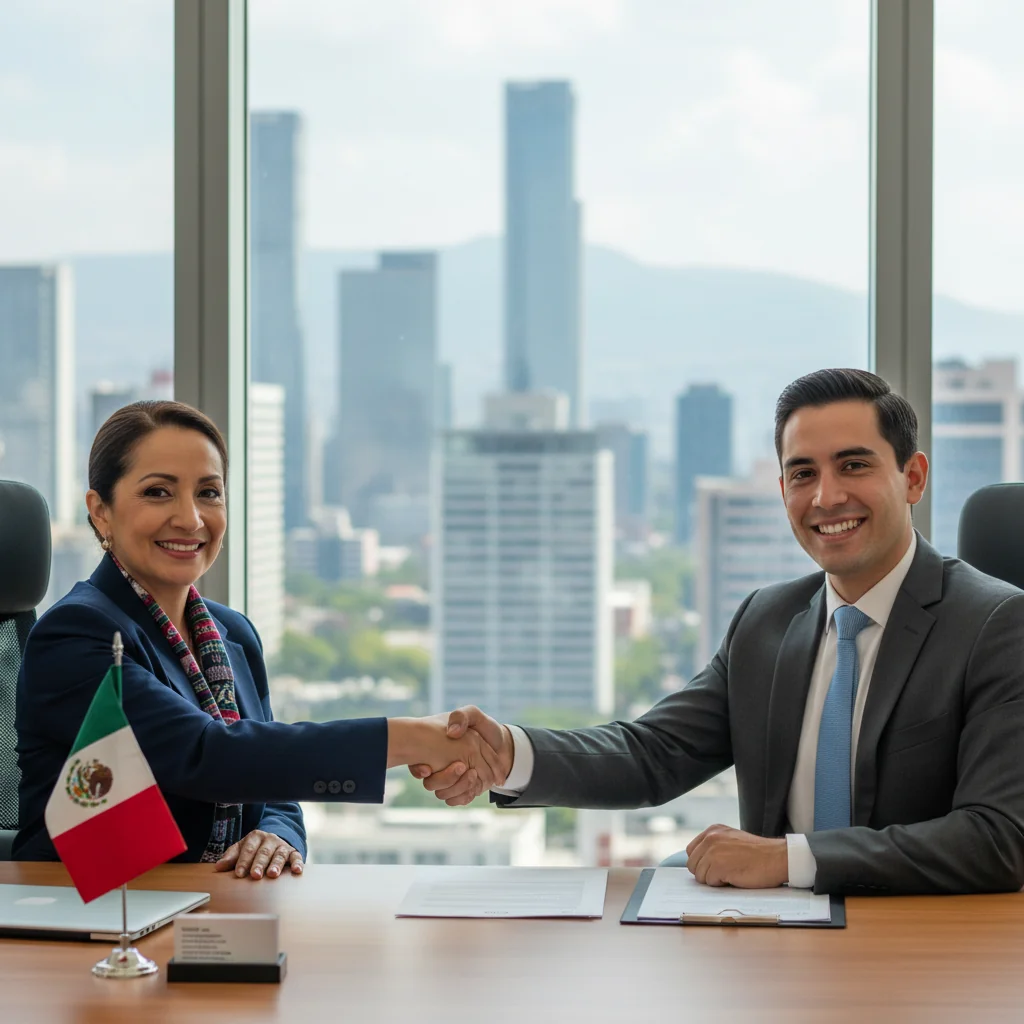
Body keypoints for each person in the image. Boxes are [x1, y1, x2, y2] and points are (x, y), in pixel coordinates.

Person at [414, 368, 1024, 896]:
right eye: (802, 473)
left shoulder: (996, 626)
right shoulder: (767, 621)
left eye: (854, 465)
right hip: (773, 945)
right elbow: (652, 754)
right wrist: (508, 754)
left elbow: (998, 837)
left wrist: (787, 860)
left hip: (922, 946)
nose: (827, 496)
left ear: (913, 478)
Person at [15, 400, 506, 877]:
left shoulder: (232, 635)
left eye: (209, 492)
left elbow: (272, 787)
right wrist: (413, 739)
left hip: (212, 915)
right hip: (88, 921)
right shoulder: (76, 636)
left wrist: (277, 836)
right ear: (101, 510)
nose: (190, 518)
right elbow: (210, 756)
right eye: (158, 492)